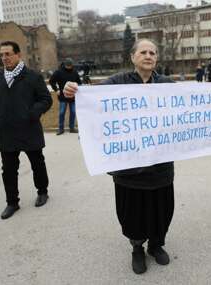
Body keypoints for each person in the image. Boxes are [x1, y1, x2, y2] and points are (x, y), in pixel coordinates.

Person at [63, 39, 175, 275]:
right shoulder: (116, 83)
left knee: (161, 209)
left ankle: (156, 245)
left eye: (152, 52)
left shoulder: (166, 84)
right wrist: (73, 91)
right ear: (133, 57)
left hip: (160, 166)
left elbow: (191, 105)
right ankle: (137, 248)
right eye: (143, 52)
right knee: (132, 212)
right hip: (129, 169)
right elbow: (90, 98)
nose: (148, 55)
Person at [0, 41, 53, 219]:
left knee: (37, 163)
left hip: (29, 129)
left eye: (8, 54)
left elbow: (46, 99)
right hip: (6, 131)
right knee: (8, 169)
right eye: (1, 55)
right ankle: (12, 202)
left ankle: (42, 191)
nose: (4, 58)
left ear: (18, 55)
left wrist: (32, 113)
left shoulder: (32, 76)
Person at [49, 58, 82, 135]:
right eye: (68, 66)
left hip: (73, 96)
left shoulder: (74, 72)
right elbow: (51, 81)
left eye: (70, 66)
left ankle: (72, 128)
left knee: (73, 112)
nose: (69, 67)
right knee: (62, 112)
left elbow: (79, 82)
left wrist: (78, 88)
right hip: (62, 96)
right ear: (65, 65)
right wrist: (56, 89)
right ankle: (61, 129)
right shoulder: (59, 72)